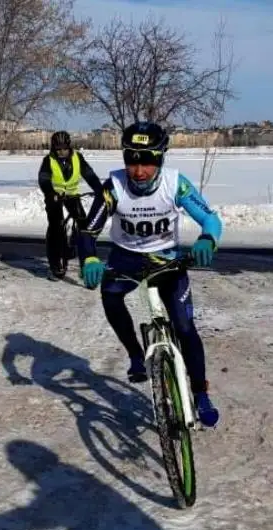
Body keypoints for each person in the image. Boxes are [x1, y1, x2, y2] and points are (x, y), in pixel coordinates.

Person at [76, 121, 220, 427]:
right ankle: (135, 355)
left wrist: (207, 238)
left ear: (161, 159)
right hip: (126, 259)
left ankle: (200, 393)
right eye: (132, 161)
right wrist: (89, 257)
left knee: (185, 327)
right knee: (110, 296)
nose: (139, 171)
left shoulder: (175, 184)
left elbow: (210, 218)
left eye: (147, 162)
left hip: (166, 259)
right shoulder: (113, 187)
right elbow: (88, 230)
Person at [38, 130, 103, 280]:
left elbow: (89, 175)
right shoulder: (48, 160)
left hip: (72, 196)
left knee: (84, 225)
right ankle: (56, 264)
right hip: (54, 197)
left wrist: (99, 190)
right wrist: (50, 193)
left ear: (69, 147)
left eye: (64, 149)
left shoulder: (77, 158)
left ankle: (86, 260)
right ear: (53, 148)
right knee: (56, 226)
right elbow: (44, 180)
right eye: (58, 149)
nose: (62, 152)